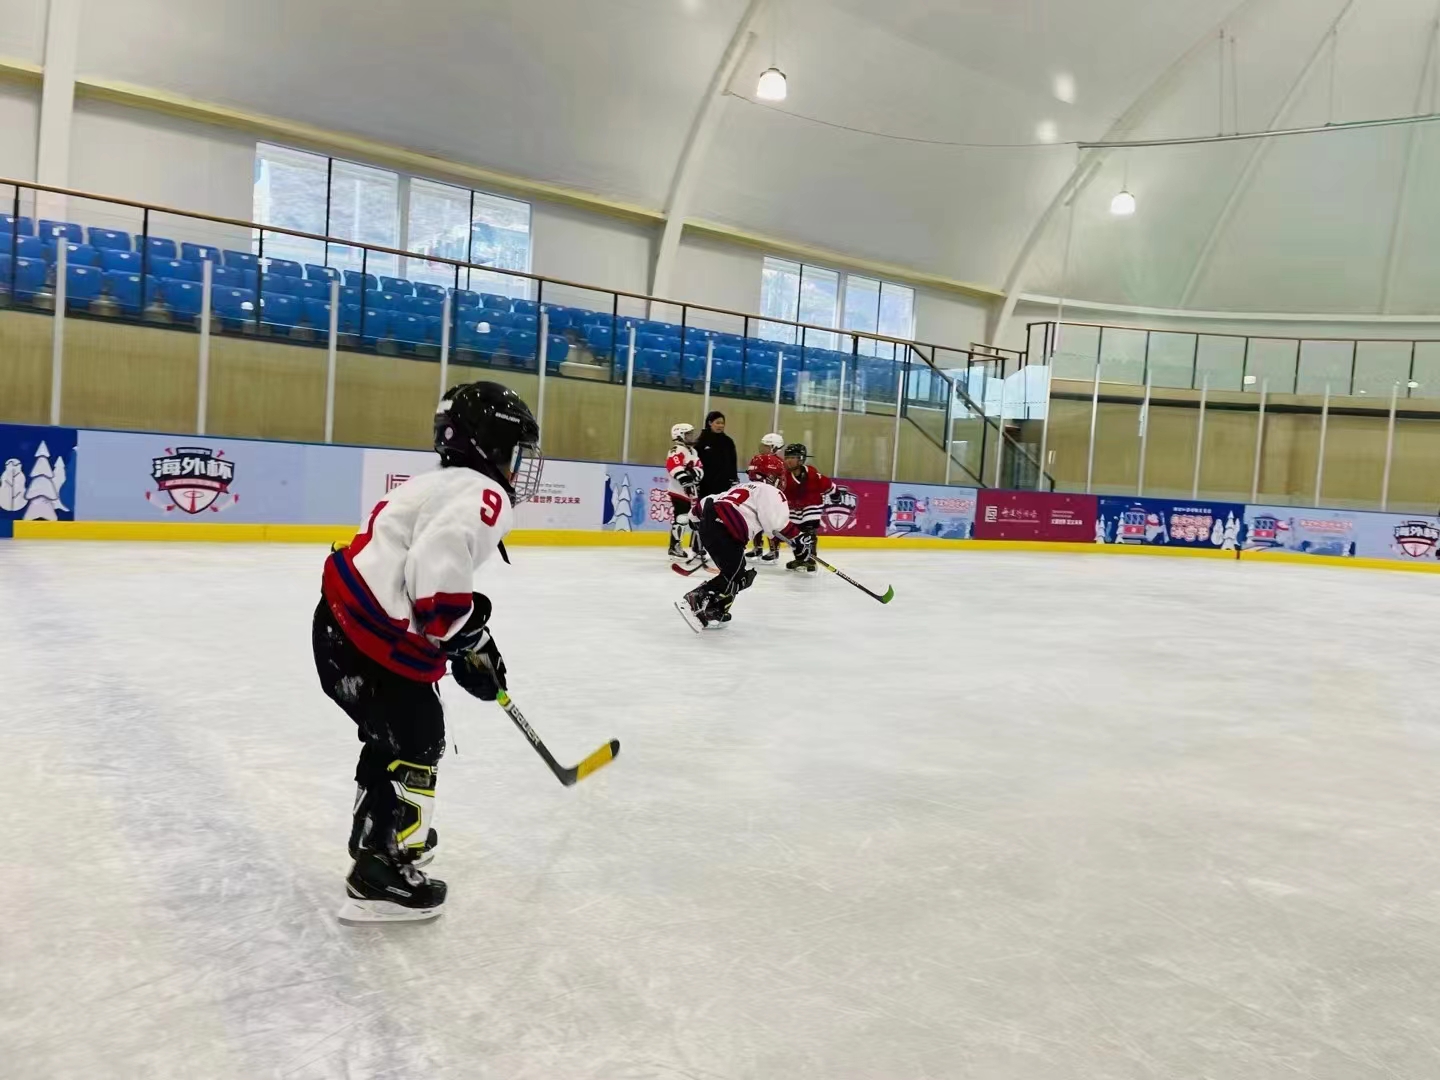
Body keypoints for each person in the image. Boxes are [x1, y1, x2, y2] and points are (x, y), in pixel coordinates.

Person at [314, 381, 543, 923]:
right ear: (490, 445)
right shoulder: (483, 494)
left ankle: (379, 829)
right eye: (513, 450)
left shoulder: (438, 483)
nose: (518, 465)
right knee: (418, 737)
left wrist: (465, 637)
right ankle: (381, 868)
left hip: (342, 629)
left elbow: (424, 578)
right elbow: (436, 578)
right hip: (370, 639)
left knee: (391, 733)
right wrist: (467, 637)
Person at [676, 455, 813, 631]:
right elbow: (775, 526)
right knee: (736, 576)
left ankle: (713, 611)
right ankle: (696, 597)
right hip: (726, 529)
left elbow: (706, 501)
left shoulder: (739, 488)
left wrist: (693, 518)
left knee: (738, 575)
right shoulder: (770, 490)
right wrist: (798, 539)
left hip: (713, 524)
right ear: (771, 476)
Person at [781, 442, 835, 573]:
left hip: (812, 505)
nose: (788, 460)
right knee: (794, 535)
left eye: (792, 457)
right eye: (787, 457)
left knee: (809, 531)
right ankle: (800, 558)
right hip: (793, 508)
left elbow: (826, 482)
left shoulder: (811, 473)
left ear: (801, 459)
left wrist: (835, 493)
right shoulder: (783, 476)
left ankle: (811, 559)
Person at [665, 422, 705, 565]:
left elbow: (700, 469)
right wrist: (685, 479)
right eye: (688, 434)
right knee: (681, 517)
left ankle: (698, 547)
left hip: (691, 492)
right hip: (678, 491)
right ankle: (675, 547)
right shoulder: (677, 449)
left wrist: (695, 474)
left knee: (696, 519)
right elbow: (673, 466)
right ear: (679, 435)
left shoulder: (693, 452)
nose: (691, 437)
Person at [745, 433, 787, 561]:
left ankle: (774, 550)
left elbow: (780, 482)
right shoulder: (759, 459)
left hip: (770, 496)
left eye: (766, 446)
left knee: (770, 523)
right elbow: (753, 475)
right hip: (757, 495)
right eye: (762, 445)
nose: (763, 448)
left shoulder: (777, 462)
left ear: (775, 447)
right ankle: (758, 547)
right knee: (755, 520)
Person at [694, 410, 738, 501]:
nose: (720, 426)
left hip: (724, 484)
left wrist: (734, 479)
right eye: (717, 423)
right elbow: (696, 461)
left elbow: (733, 461)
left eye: (722, 423)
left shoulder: (728, 441)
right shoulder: (701, 441)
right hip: (705, 484)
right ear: (710, 423)